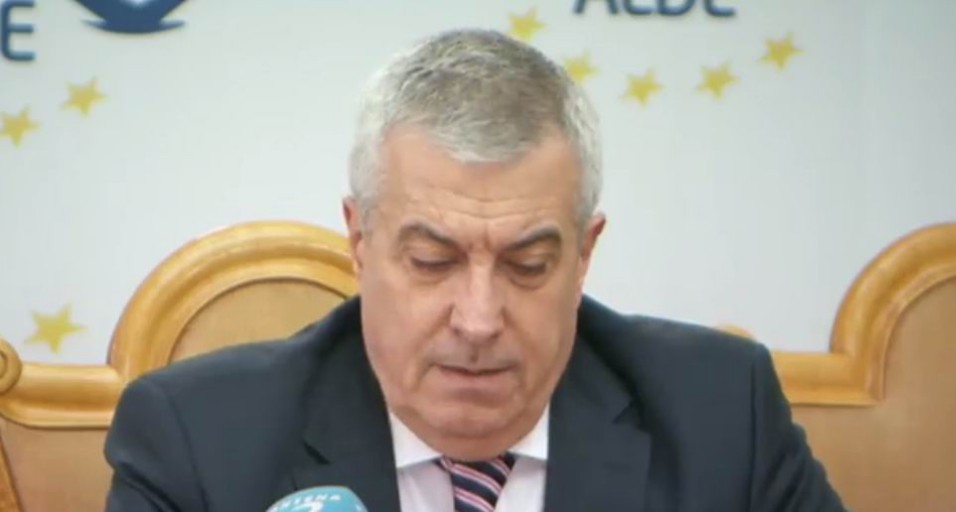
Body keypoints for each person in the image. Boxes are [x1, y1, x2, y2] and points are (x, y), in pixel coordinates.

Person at [104, 28, 846, 511]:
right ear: (360, 240)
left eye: (529, 265)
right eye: (433, 261)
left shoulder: (722, 418)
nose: (480, 319)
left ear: (584, 255)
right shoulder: (199, 445)